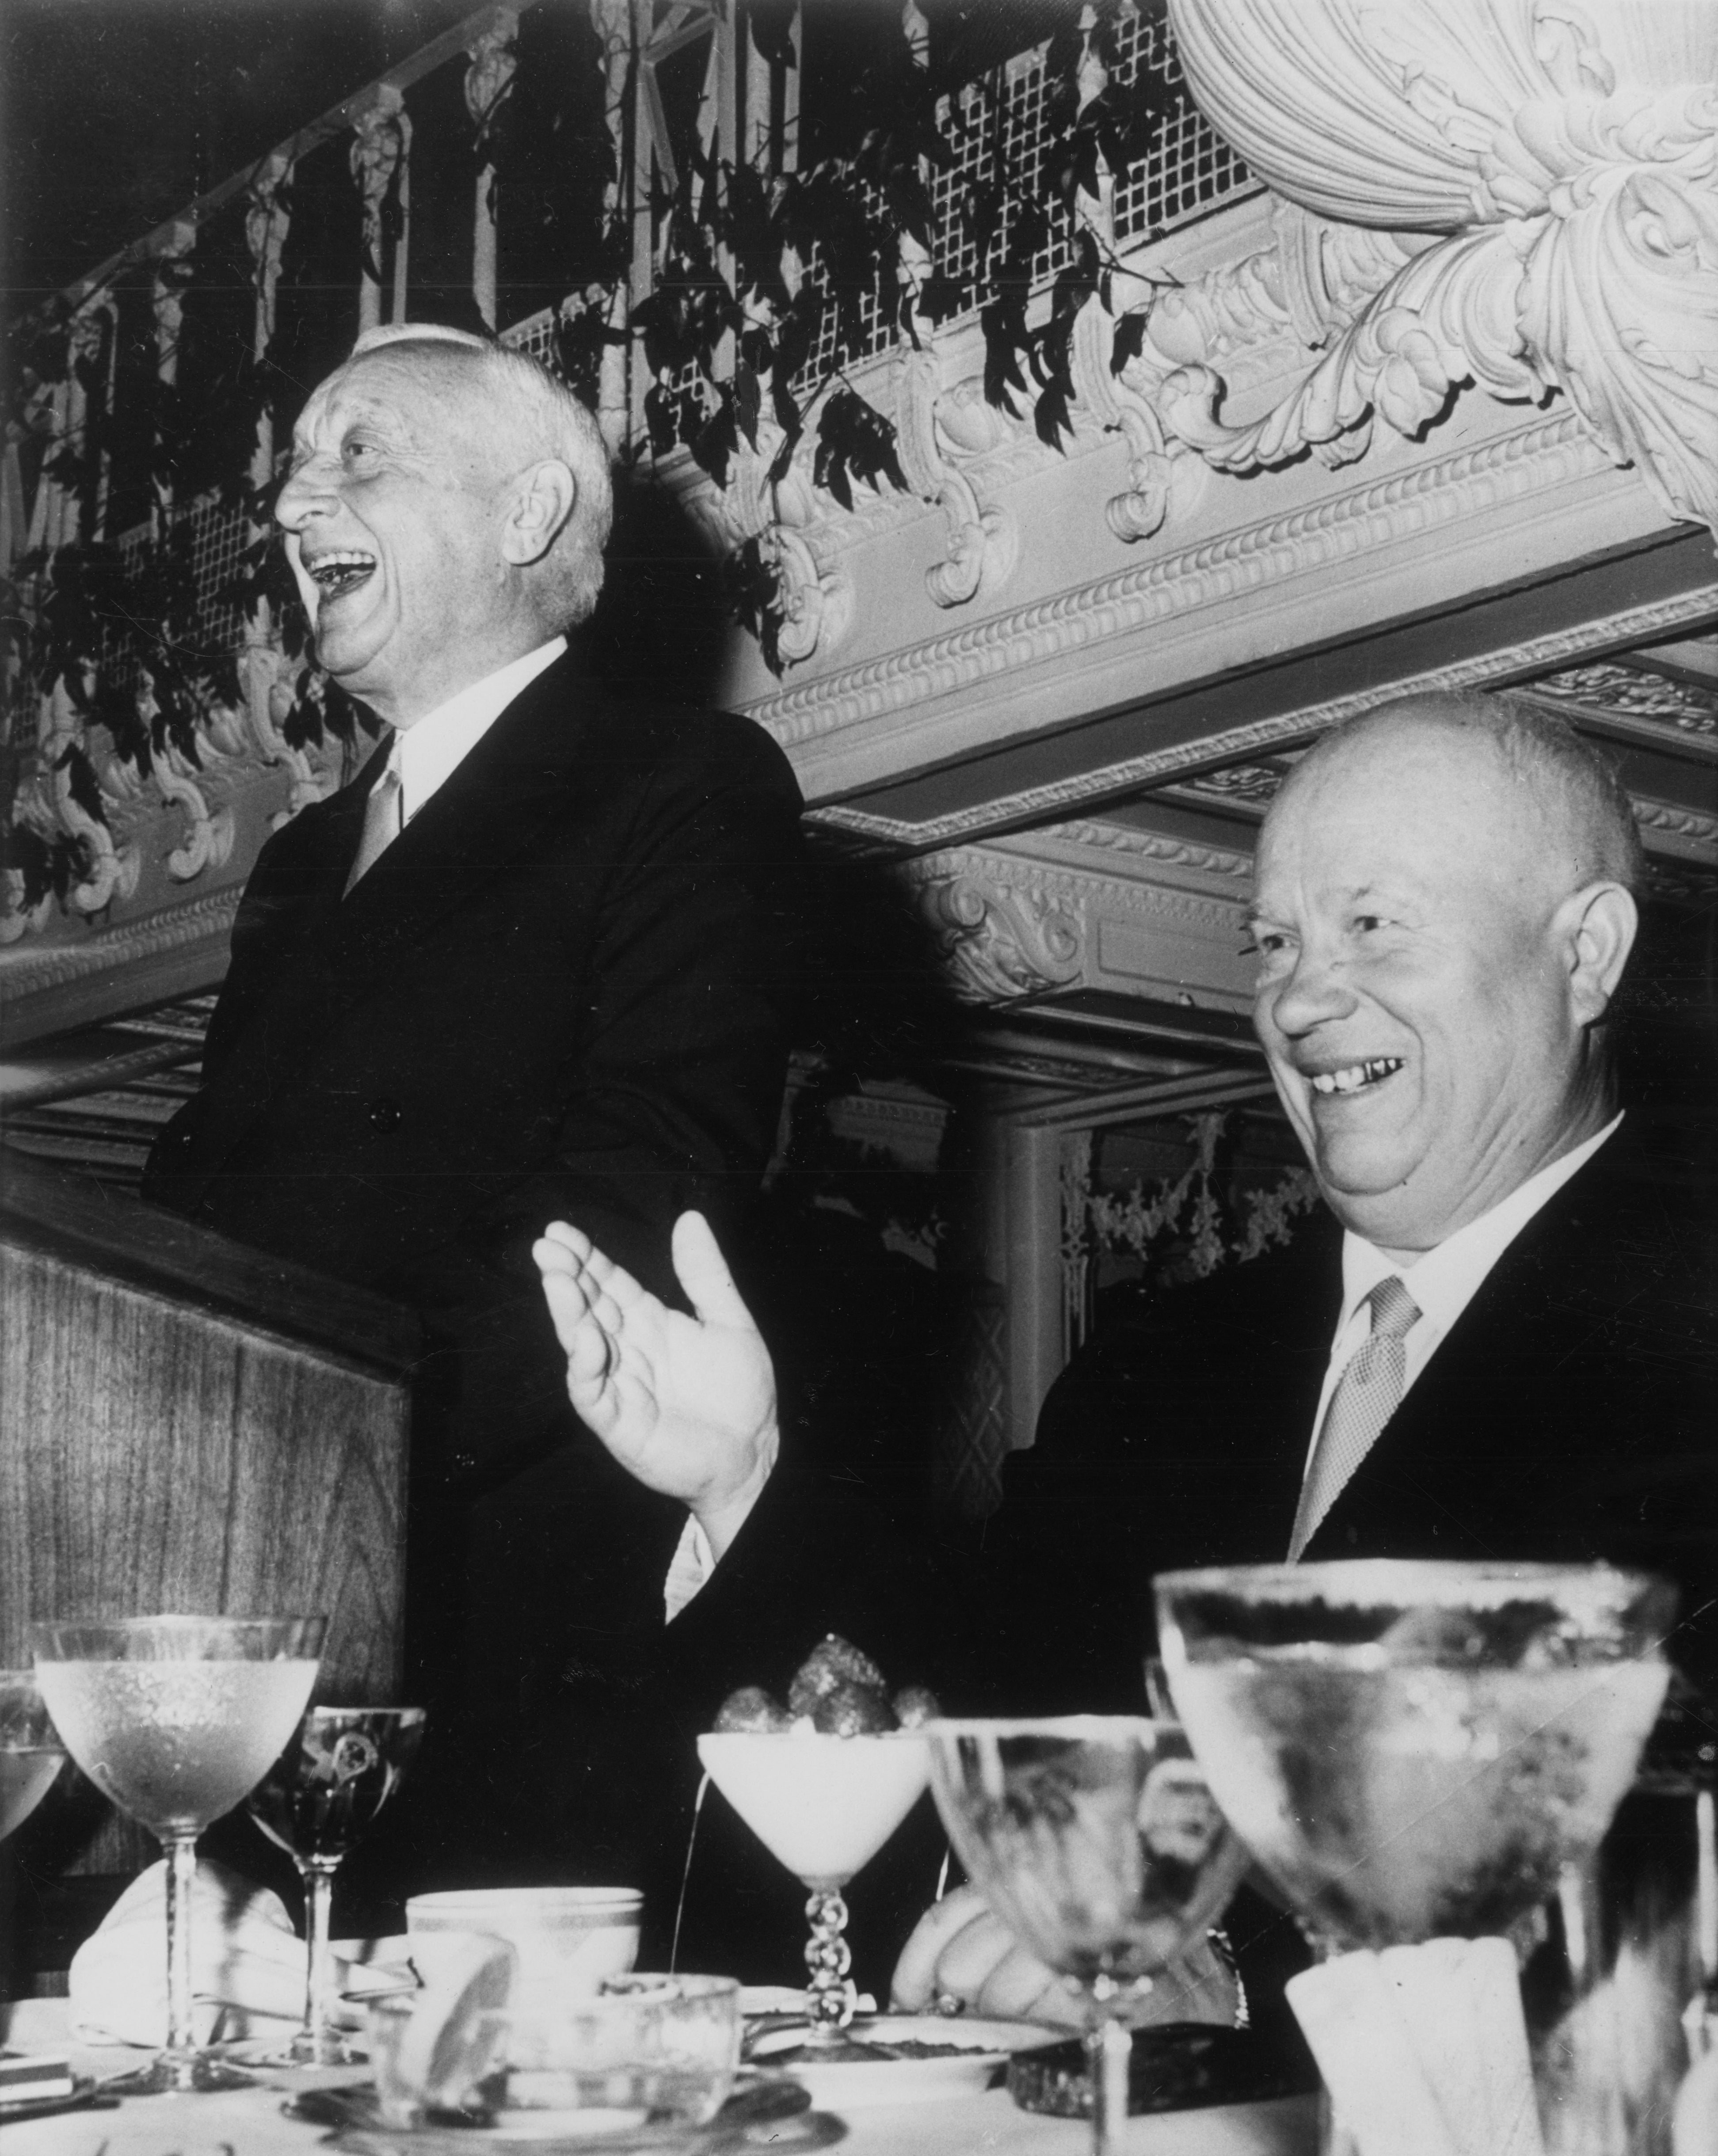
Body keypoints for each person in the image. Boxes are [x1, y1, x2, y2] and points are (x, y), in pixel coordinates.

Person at [530, 687, 1718, 2020]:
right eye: (1273, 941)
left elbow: (1659, 1887)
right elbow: (979, 1721)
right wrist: (744, 1481)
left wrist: (1221, 1990)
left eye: (1374, 926)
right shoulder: (1168, 1361)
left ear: (1590, 954)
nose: (1302, 999)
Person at [141, 323, 805, 1715]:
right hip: (236, 1598)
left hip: (493, 1628)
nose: (289, 503)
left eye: (358, 454)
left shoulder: (680, 783)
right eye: (298, 465)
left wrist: (305, 1425)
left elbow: (638, 1188)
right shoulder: (307, 858)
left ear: (526, 512)